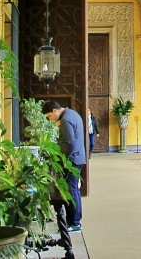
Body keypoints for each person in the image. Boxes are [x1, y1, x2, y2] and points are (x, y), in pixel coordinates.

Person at [43, 100, 87, 234]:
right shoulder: (72, 114)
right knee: (73, 190)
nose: (50, 119)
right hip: (77, 157)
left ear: (55, 111)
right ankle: (72, 221)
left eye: (49, 116)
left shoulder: (66, 120)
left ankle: (75, 223)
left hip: (71, 160)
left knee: (71, 191)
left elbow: (70, 143)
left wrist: (64, 160)